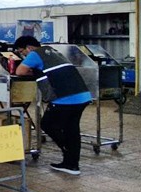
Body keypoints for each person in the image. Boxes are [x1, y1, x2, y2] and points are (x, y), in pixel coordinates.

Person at [14, 35, 92, 175]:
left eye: (22, 51)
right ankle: (72, 164)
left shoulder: (35, 54)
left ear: (29, 47)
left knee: (47, 124)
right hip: (82, 95)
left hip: (65, 98)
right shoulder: (53, 51)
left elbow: (19, 71)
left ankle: (68, 153)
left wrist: (31, 69)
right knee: (72, 129)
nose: (22, 55)